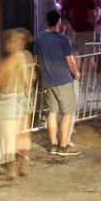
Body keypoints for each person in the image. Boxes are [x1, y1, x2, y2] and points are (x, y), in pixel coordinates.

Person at [32, 10, 80, 157]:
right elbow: (70, 62)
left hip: (48, 80)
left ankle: (53, 144)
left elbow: (36, 60)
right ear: (59, 21)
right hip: (63, 80)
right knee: (67, 113)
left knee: (51, 113)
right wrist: (76, 73)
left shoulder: (39, 38)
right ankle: (64, 146)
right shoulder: (63, 40)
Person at [0, 28, 35, 180]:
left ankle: (11, 171)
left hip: (10, 99)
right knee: (23, 134)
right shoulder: (27, 55)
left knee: (9, 136)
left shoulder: (13, 58)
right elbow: (33, 77)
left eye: (8, 42)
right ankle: (24, 166)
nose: (6, 45)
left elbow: (0, 78)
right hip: (24, 99)